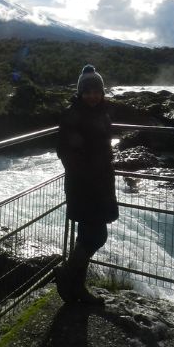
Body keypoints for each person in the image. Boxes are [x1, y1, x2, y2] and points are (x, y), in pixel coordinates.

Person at [54, 64, 118, 304]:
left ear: (102, 93)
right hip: (85, 185)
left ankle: (76, 288)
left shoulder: (101, 113)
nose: (93, 95)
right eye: (88, 91)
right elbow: (65, 151)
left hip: (100, 183)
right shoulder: (73, 115)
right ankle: (68, 276)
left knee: (87, 236)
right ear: (81, 93)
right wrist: (86, 175)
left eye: (96, 91)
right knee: (96, 235)